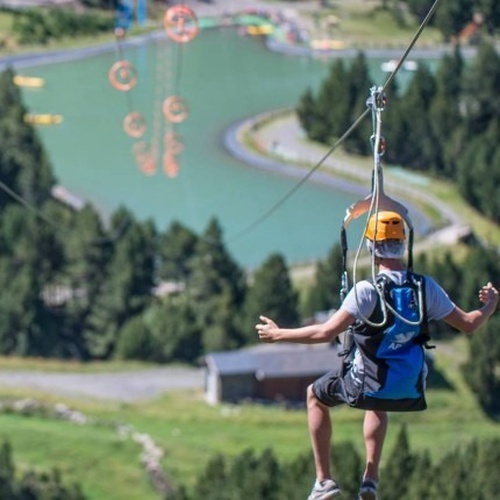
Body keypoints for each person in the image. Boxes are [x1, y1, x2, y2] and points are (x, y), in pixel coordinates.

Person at [255, 211, 498, 500]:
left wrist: (279, 334)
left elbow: (324, 333)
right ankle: (370, 479)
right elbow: (469, 324)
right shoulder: (424, 288)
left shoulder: (367, 291)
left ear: (371, 248)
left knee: (315, 396)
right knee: (377, 401)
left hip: (369, 381)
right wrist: (490, 306)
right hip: (408, 384)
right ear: (403, 245)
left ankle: (323, 482)